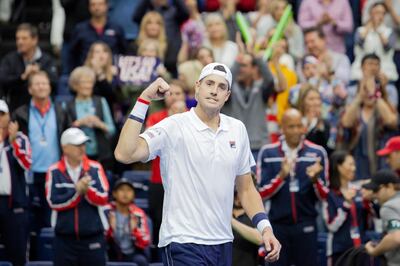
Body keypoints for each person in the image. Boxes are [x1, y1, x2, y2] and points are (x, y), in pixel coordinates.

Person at [114, 63, 281, 265]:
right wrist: (144, 99)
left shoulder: (237, 129)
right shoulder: (174, 125)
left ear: (227, 95)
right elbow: (124, 153)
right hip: (182, 241)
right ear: (197, 87)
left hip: (222, 243)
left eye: (221, 87)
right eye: (209, 83)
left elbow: (246, 189)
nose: (214, 90)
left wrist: (265, 228)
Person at [257, 108, 329, 266]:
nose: (297, 131)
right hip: (278, 226)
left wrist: (315, 180)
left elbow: (325, 197)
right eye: (291, 126)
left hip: (307, 224)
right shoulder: (268, 153)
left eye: (299, 126)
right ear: (282, 128)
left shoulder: (317, 153)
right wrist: (280, 177)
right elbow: (260, 194)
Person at [12, 71, 69, 259]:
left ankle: (52, 257)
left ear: (50, 87)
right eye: (36, 84)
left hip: (54, 173)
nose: (41, 87)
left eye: (44, 83)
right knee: (29, 221)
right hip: (29, 174)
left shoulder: (60, 110)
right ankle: (33, 258)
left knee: (51, 219)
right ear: (29, 89)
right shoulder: (20, 113)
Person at [45, 127, 109, 266]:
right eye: (77, 145)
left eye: (83, 144)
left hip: (93, 238)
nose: (82, 148)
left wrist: (87, 190)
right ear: (65, 148)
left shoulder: (95, 168)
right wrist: (77, 192)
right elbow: (53, 202)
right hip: (64, 240)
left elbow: (104, 197)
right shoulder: (53, 171)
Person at [145, 80, 187, 248]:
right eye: (171, 93)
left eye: (178, 93)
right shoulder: (156, 118)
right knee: (158, 220)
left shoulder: (193, 117)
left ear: (185, 96)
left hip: (185, 180)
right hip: (159, 179)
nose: (175, 97)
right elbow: (149, 145)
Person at [340, 67, 398, 179]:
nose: (368, 93)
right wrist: (359, 96)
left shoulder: (383, 107)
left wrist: (376, 95)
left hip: (382, 166)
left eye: (371, 89)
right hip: (358, 168)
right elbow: (346, 122)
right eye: (365, 89)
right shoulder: (355, 109)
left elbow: (392, 121)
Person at [322, 151, 374, 265]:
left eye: (354, 165)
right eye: (350, 164)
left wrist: (369, 202)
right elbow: (331, 226)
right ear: (339, 167)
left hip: (361, 247)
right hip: (340, 249)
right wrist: (346, 204)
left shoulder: (359, 190)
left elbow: (369, 223)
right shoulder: (330, 194)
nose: (354, 168)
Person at [0, 100, 31, 266]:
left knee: (17, 253)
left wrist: (13, 144)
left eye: (2, 114)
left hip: (14, 204)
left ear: (9, 116)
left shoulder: (20, 138)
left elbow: (26, 164)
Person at [66, 66, 116, 170]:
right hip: (77, 156)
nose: (88, 86)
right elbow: (65, 133)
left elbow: (112, 130)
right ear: (75, 85)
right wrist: (79, 123)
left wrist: (99, 124)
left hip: (101, 155)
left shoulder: (101, 101)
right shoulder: (67, 105)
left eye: (90, 82)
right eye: (84, 82)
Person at [0, 23, 58, 111]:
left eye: (24, 38)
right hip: (16, 109)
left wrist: (40, 73)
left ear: (35, 40)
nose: (20, 42)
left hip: (44, 110)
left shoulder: (47, 60)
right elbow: (3, 80)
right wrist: (22, 77)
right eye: (17, 38)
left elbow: (55, 81)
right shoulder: (9, 59)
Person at [69, 0, 127, 69]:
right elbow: (73, 54)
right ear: (89, 7)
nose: (97, 7)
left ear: (107, 6)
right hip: (86, 73)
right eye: (93, 5)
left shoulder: (117, 29)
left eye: (100, 4)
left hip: (112, 73)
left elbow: (124, 52)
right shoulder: (80, 29)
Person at [106, 178, 150, 266]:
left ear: (133, 195)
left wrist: (135, 230)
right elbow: (99, 239)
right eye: (121, 190)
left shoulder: (138, 214)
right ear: (114, 193)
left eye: (129, 190)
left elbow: (145, 242)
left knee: (141, 261)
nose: (125, 193)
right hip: (111, 251)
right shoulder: (107, 211)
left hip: (132, 253)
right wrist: (111, 229)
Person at [351, 2, 398, 82]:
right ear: (370, 13)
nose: (379, 15)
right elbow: (359, 42)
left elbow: (387, 47)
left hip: (385, 72)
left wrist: (378, 29)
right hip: (361, 73)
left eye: (382, 13)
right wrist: (369, 27)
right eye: (376, 12)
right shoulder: (360, 30)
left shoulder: (389, 32)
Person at [363, 169, 400, 266]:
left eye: (376, 190)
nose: (374, 194)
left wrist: (375, 251)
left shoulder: (389, 207)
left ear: (390, 186)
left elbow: (396, 237)